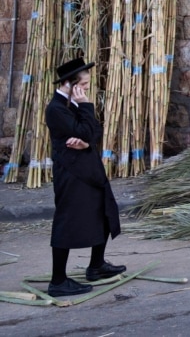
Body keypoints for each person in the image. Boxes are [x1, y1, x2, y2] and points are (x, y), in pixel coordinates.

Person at [45, 58, 125, 297]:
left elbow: (94, 132)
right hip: (71, 173)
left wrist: (86, 138)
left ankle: (96, 266)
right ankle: (57, 281)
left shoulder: (74, 104)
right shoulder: (56, 108)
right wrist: (86, 112)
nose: (87, 90)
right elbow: (87, 130)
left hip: (89, 169)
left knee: (103, 210)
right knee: (67, 222)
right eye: (85, 85)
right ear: (70, 84)